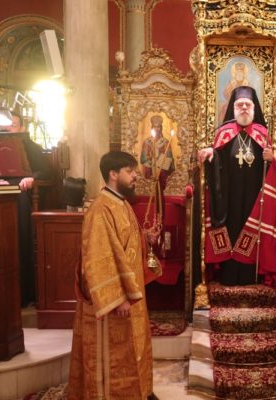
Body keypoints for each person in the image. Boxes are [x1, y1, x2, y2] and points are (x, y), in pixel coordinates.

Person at [68, 151, 160, 400]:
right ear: (113, 174)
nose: (135, 176)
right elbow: (99, 257)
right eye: (130, 171)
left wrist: (145, 237)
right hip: (114, 303)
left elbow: (124, 244)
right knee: (113, 357)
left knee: (133, 349)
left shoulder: (121, 203)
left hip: (130, 296)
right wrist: (117, 298)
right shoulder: (100, 209)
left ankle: (138, 392)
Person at [198, 85, 276, 286]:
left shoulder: (263, 134)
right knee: (231, 228)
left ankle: (250, 274)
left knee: (251, 229)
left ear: (254, 108)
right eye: (239, 104)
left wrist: (272, 158)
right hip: (229, 195)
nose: (243, 108)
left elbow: (272, 169)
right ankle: (228, 274)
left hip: (254, 195)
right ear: (233, 108)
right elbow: (218, 159)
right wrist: (211, 153)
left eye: (247, 105)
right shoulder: (223, 132)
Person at [0, 112, 52, 306]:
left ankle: (23, 294)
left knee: (20, 237)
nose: (9, 128)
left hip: (22, 196)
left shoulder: (32, 147)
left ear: (22, 127)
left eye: (13, 125)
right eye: (6, 124)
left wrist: (32, 177)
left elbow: (47, 172)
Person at [140, 114, 175, 192]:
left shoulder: (165, 142)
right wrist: (151, 160)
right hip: (149, 169)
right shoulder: (147, 142)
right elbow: (143, 158)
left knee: (161, 178)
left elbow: (169, 158)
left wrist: (160, 161)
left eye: (158, 127)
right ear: (152, 128)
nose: (157, 129)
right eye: (155, 127)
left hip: (162, 169)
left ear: (161, 128)